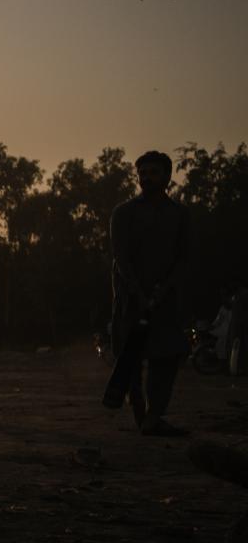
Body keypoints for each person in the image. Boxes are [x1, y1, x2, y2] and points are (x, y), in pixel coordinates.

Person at [107, 150, 191, 436]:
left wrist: (162, 290)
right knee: (130, 359)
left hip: (165, 301)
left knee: (166, 358)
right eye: (142, 173)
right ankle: (140, 412)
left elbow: (184, 258)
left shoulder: (179, 215)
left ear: (167, 176)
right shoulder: (124, 213)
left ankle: (154, 416)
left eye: (153, 173)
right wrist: (140, 294)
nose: (147, 178)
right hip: (130, 300)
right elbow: (121, 259)